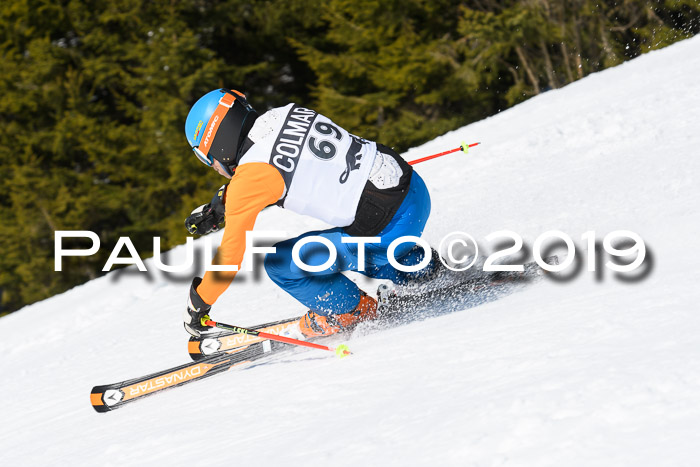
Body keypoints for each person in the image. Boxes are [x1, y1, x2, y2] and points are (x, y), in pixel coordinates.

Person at [182, 88, 434, 339]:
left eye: (207, 158)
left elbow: (230, 258)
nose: (213, 167)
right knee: (352, 243)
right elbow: (292, 162)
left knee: (279, 263)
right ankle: (421, 269)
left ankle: (352, 312)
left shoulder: (249, 180)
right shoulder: (285, 113)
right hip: (412, 190)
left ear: (219, 144)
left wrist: (199, 302)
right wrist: (223, 203)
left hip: (389, 228)